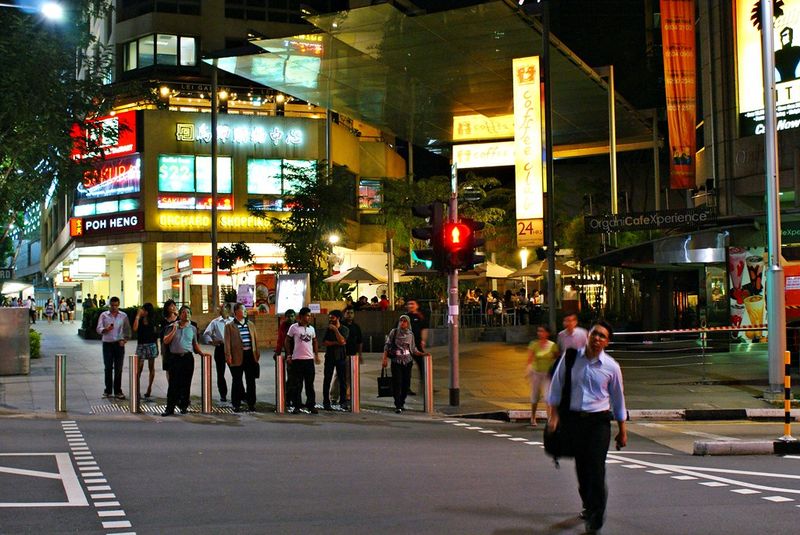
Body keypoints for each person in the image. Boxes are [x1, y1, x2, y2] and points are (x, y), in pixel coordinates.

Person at [546, 320, 627, 534]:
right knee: (582, 469)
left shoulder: (612, 367)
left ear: (607, 342)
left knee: (596, 470)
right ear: (588, 335)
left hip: (598, 423)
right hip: (574, 422)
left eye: (602, 336)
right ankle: (589, 505)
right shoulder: (571, 358)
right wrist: (553, 417)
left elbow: (619, 401)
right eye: (595, 334)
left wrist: (622, 431)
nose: (597, 339)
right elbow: (556, 387)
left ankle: (596, 517)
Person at [162, 305, 209, 416]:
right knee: (173, 384)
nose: (186, 314)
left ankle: (184, 406)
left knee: (186, 383)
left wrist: (201, 353)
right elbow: (166, 341)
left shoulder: (192, 328)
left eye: (188, 312)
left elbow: (195, 344)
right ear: (179, 314)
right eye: (183, 312)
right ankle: (170, 408)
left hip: (187, 358)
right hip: (175, 358)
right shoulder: (172, 326)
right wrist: (174, 329)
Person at [382, 315, 429, 413]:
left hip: (408, 361)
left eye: (404, 321)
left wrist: (422, 353)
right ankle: (398, 404)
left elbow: (413, 349)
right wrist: (384, 359)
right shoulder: (394, 332)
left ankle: (402, 401)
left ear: (408, 323)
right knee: (397, 382)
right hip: (396, 360)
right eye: (401, 321)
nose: (402, 323)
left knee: (406, 383)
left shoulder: (410, 334)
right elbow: (387, 345)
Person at [224, 303, 261, 412]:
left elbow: (255, 340)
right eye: (243, 309)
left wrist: (257, 354)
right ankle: (236, 404)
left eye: (245, 310)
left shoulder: (251, 324)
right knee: (237, 381)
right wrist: (228, 356)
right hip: (236, 356)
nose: (245, 311)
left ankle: (251, 404)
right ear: (236, 312)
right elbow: (227, 343)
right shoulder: (229, 326)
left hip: (250, 355)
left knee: (251, 381)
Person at [96, 296, 131, 400]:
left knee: (118, 368)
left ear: (118, 305)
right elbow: (98, 328)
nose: (114, 307)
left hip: (118, 344)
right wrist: (105, 329)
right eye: (112, 305)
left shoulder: (123, 316)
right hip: (107, 344)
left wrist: (124, 340)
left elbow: (127, 330)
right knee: (108, 368)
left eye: (116, 305)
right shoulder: (104, 315)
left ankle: (118, 390)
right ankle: (107, 390)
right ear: (109, 305)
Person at [285, 307, 319, 414]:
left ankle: (311, 405)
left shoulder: (311, 329)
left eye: (309, 315)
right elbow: (287, 340)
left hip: (309, 360)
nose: (309, 317)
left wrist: (316, 355)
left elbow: (315, 341)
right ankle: (297, 406)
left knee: (310, 385)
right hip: (297, 360)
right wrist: (289, 355)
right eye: (307, 315)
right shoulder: (293, 327)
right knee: (297, 385)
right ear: (301, 316)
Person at [526, 324, 559, 427]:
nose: (540, 333)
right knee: (535, 396)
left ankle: (550, 419)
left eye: (542, 331)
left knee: (548, 397)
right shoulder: (534, 344)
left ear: (547, 333)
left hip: (547, 374)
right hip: (536, 373)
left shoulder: (552, 345)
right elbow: (530, 359)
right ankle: (533, 416)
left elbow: (557, 358)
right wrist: (528, 369)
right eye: (539, 331)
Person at [330, 307, 363, 404]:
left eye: (352, 313)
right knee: (338, 376)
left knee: (349, 376)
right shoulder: (340, 326)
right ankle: (334, 396)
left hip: (352, 355)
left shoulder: (356, 327)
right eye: (348, 313)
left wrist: (360, 355)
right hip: (341, 354)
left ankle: (347, 395)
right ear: (344, 314)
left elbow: (359, 342)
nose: (350, 315)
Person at [203, 304, 233, 402]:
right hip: (220, 348)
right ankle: (223, 394)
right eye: (220, 308)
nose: (221, 310)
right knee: (220, 373)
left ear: (228, 310)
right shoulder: (215, 322)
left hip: (231, 349)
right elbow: (206, 334)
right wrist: (212, 342)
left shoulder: (233, 321)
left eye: (224, 308)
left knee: (235, 372)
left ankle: (239, 394)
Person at [321, 309, 349, 411]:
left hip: (340, 357)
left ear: (338, 318)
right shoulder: (327, 329)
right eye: (329, 318)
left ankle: (343, 402)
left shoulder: (344, 329)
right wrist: (336, 343)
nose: (330, 319)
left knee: (342, 380)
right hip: (329, 357)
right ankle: (326, 402)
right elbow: (324, 342)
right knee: (327, 379)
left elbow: (343, 341)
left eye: (332, 318)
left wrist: (336, 330)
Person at [133, 303, 158, 399]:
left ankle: (149, 388)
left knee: (151, 367)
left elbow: (155, 335)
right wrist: (137, 317)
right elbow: (134, 329)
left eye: (143, 310)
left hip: (151, 345)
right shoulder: (138, 319)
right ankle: (136, 389)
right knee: (139, 368)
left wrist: (157, 347)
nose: (141, 311)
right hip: (141, 345)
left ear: (147, 312)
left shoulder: (153, 321)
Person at [405, 298, 429, 396]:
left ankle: (427, 385)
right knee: (406, 367)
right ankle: (406, 388)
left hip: (417, 345)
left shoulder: (420, 317)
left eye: (412, 304)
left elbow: (424, 329)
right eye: (409, 304)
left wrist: (423, 341)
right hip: (406, 345)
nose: (410, 306)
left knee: (423, 365)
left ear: (417, 306)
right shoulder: (404, 317)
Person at [273, 309, 296, 407]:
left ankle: (295, 399)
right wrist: (278, 351)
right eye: (288, 316)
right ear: (285, 317)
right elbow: (281, 339)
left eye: (292, 316)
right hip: (289, 353)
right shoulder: (284, 325)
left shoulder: (298, 325)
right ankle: (287, 398)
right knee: (291, 377)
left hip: (300, 353)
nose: (290, 318)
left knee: (298, 379)